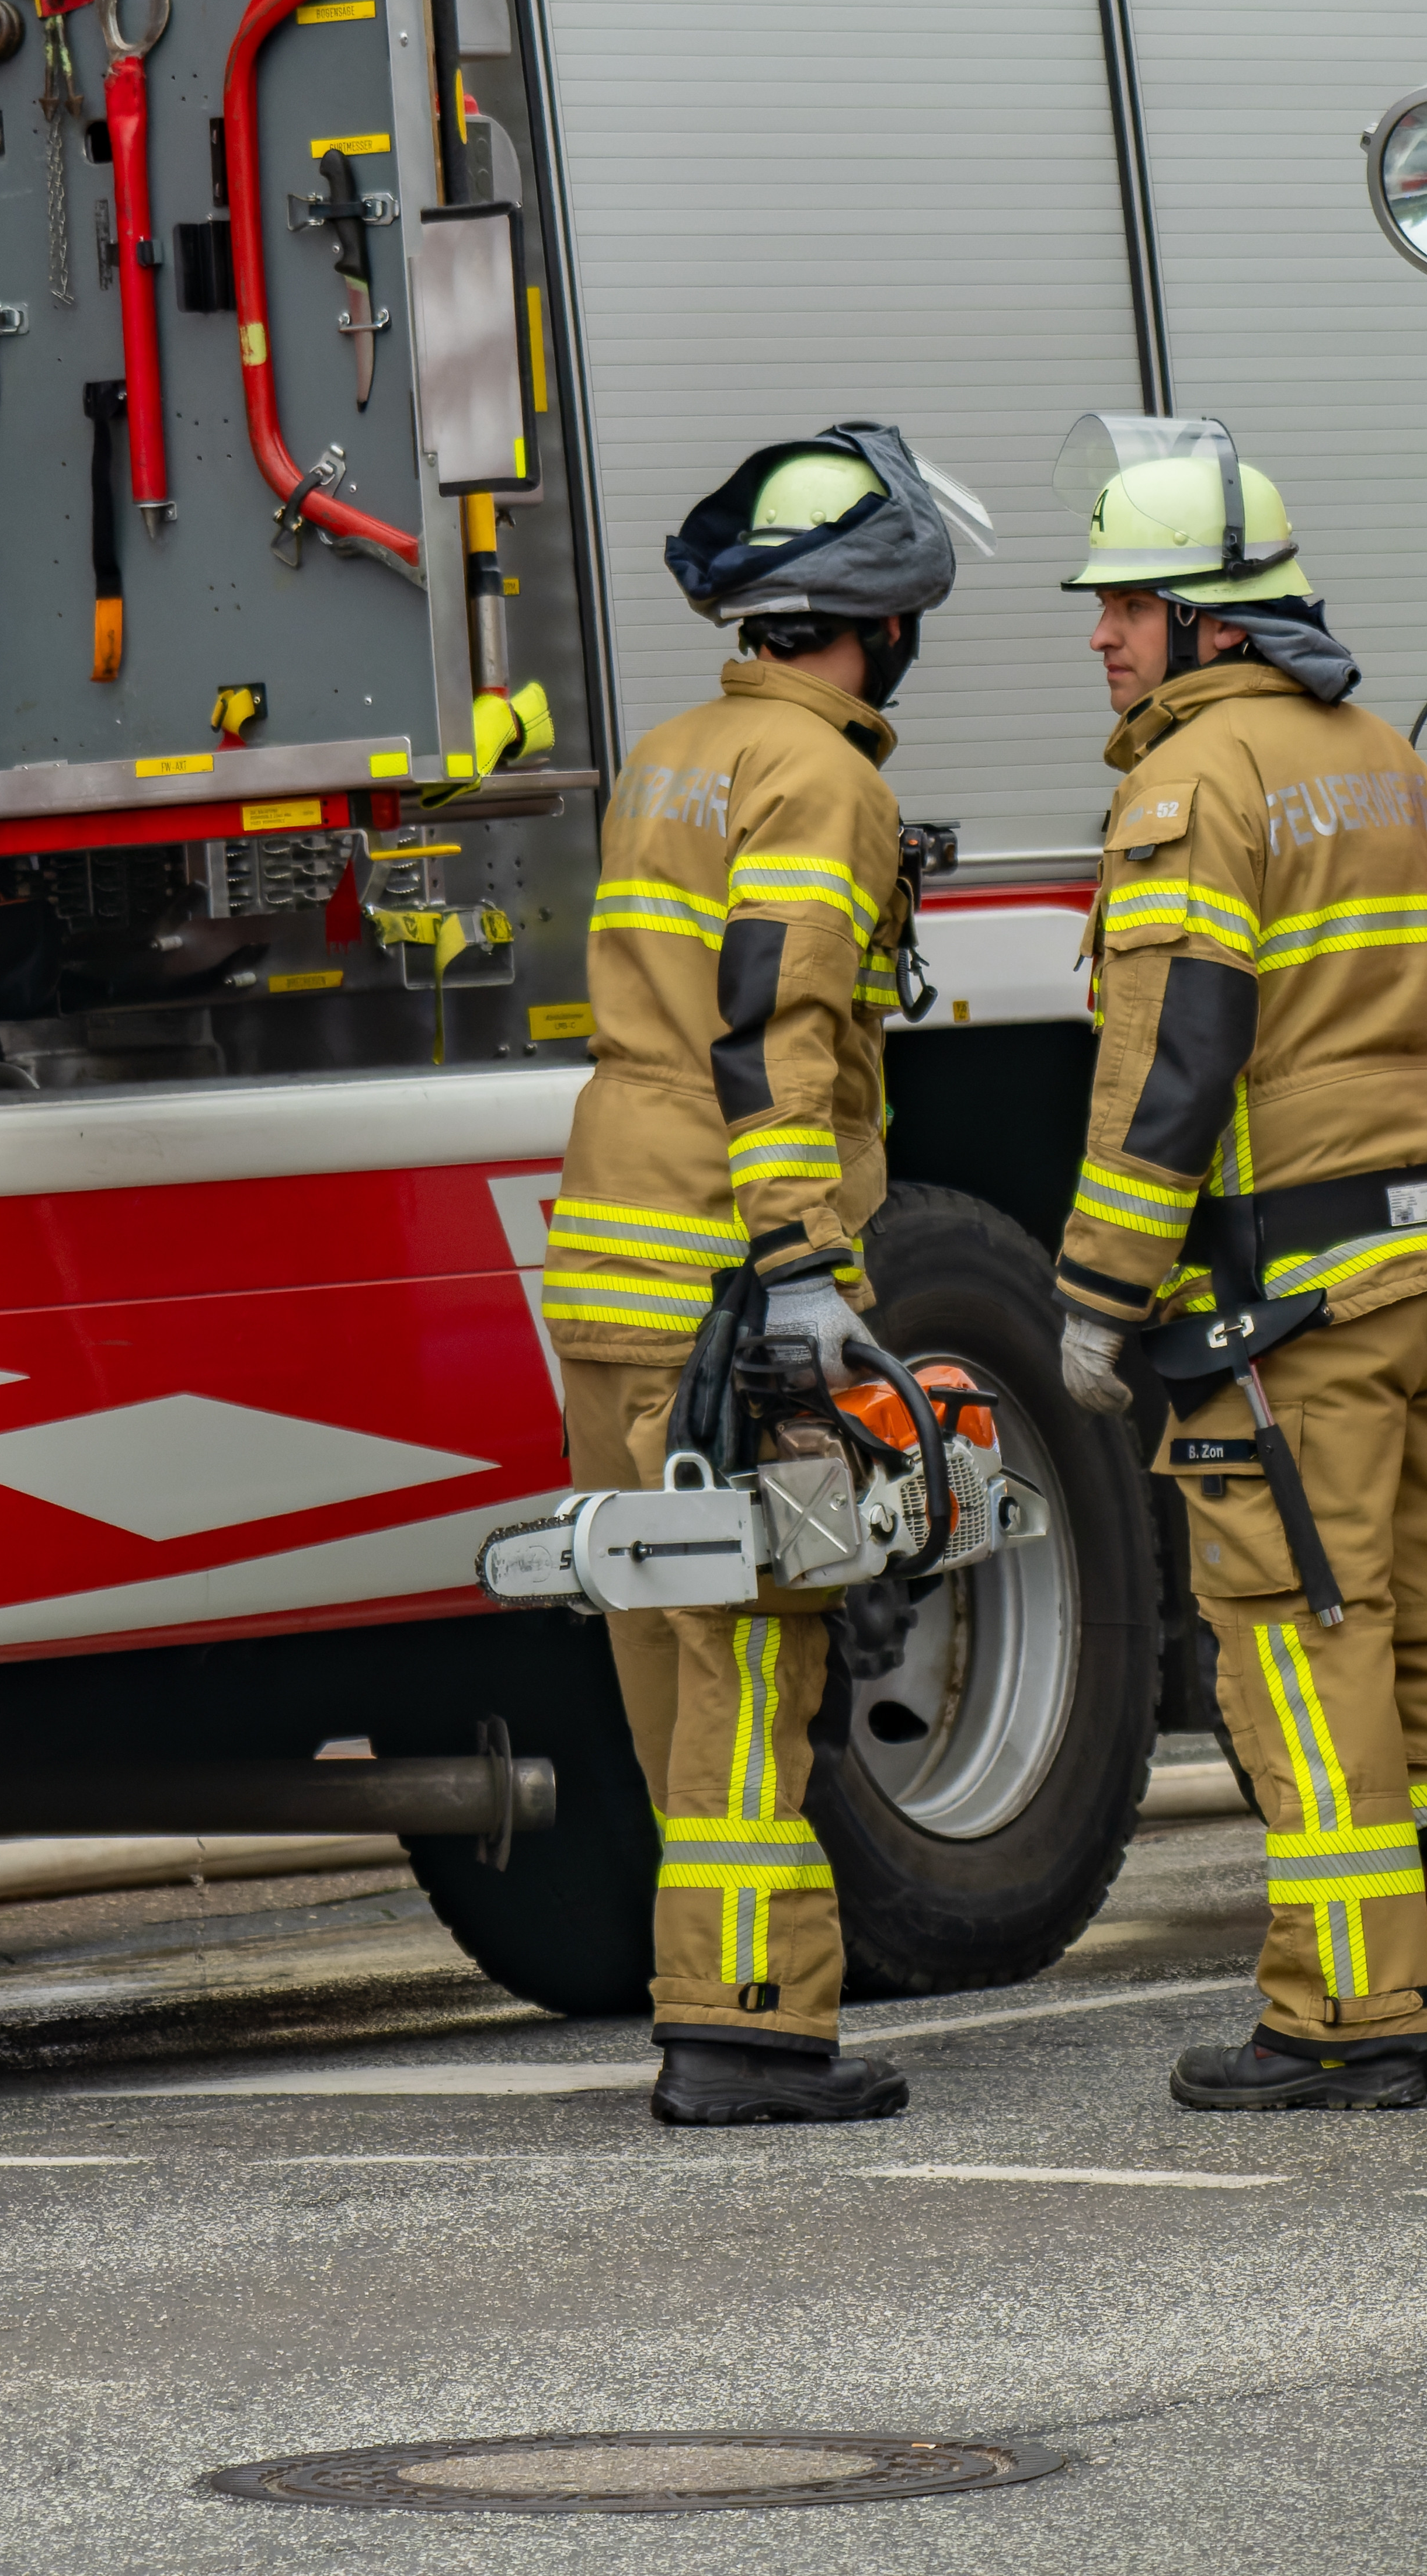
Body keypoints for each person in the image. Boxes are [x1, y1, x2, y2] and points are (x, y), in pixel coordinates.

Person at [1045, 418, 1427, 2111]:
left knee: (1301, 1649)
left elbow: (1174, 1056)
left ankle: (1343, 2017)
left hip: (1283, 1321)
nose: (1102, 631)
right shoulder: (1390, 761)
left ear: (1216, 624)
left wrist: (1097, 1296)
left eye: (1131, 603)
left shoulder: (1191, 784)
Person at [529, 425, 973, 2127]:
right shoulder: (824, 783)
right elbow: (777, 1027)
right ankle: (746, 2033)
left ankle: (713, 1997)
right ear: (877, 615)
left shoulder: (675, 754)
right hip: (724, 1270)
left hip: (611, 1257)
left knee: (671, 1648)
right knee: (755, 1650)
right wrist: (799, 1270)